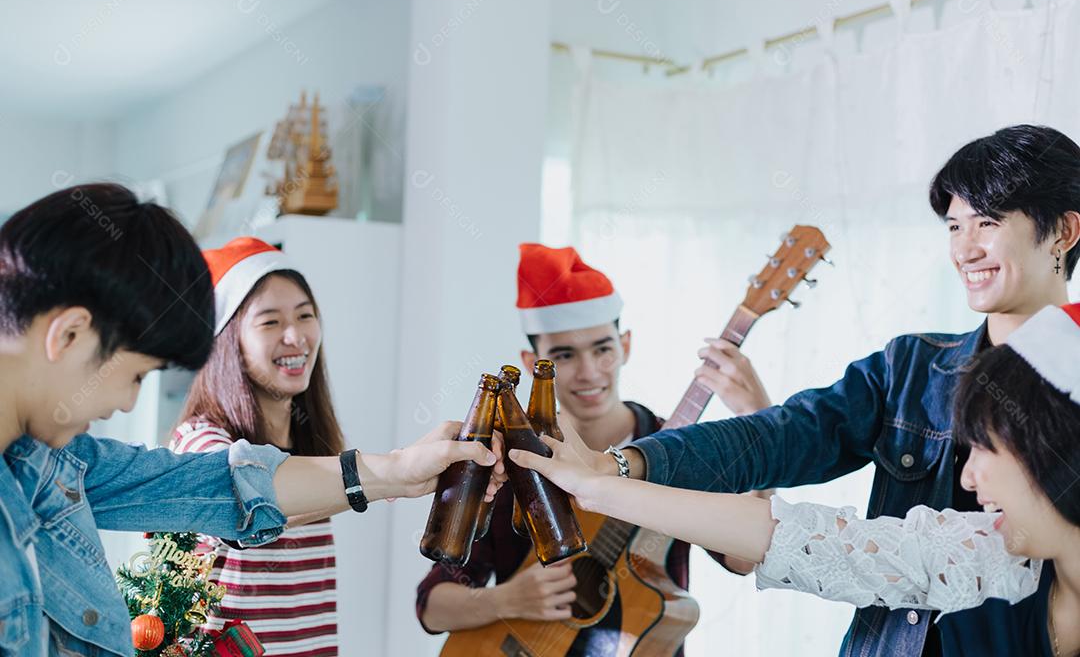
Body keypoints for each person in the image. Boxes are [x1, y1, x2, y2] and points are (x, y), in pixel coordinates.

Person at [533, 124, 1080, 656]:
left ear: (1063, 232)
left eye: (986, 222)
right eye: (954, 227)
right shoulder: (913, 367)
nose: (965, 250)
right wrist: (622, 466)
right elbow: (786, 442)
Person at [0, 184, 504, 657]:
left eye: (305, 316)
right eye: (137, 375)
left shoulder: (56, 463)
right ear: (68, 336)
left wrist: (400, 468)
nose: (130, 405)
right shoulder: (174, 437)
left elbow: (223, 486)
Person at [511, 301, 1080, 657]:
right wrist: (600, 479)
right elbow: (796, 535)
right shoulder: (987, 555)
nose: (969, 473)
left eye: (985, 448)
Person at [416, 244, 771, 654]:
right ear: (532, 362)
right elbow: (432, 604)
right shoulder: (510, 458)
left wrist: (759, 419)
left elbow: (743, 558)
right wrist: (504, 599)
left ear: (626, 346)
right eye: (564, 355)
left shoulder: (680, 447)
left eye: (603, 349)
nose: (588, 372)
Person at [171, 237, 347, 655]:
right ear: (229, 343)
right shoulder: (200, 442)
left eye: (305, 316)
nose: (296, 336)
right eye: (270, 322)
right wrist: (390, 475)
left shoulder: (310, 448)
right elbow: (258, 493)